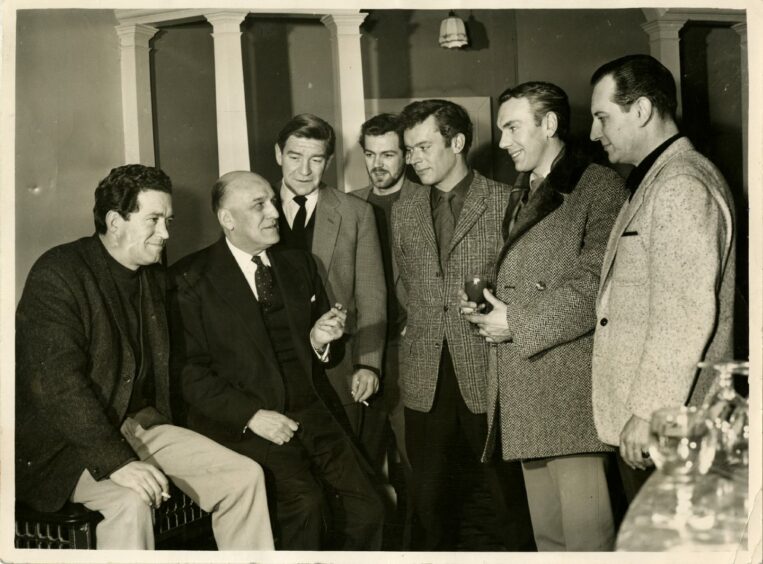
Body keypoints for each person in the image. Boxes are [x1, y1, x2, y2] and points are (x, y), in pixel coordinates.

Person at [15, 164, 273, 550]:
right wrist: (118, 463)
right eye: (154, 220)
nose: (166, 234)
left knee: (244, 476)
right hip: (65, 445)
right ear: (115, 222)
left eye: (167, 220)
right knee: (130, 501)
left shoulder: (150, 275)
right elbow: (58, 387)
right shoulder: (58, 274)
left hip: (136, 427)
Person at [169, 171, 384, 550]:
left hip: (312, 412)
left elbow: (319, 358)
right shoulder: (189, 279)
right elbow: (190, 375)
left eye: (271, 201)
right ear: (227, 219)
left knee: (368, 507)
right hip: (247, 421)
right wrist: (251, 416)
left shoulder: (300, 265)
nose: (274, 212)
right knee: (305, 506)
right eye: (259, 205)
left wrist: (319, 340)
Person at [460, 82, 628, 551]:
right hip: (525, 390)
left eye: (513, 127)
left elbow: (598, 281)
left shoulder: (598, 186)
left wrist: (516, 322)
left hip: (568, 395)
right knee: (550, 540)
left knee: (587, 540)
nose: (502, 141)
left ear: (549, 124)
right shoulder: (524, 190)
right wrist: (488, 303)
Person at [589, 54, 736, 501]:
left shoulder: (680, 185)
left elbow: (685, 313)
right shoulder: (659, 178)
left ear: (642, 110)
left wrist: (650, 409)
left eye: (602, 118)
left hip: (669, 421)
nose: (595, 134)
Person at [392, 99, 534, 551]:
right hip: (424, 377)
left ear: (456, 143)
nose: (413, 159)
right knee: (430, 506)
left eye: (423, 147)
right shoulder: (404, 210)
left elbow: (525, 282)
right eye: (408, 149)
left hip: (490, 372)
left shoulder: (507, 200)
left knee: (507, 499)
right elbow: (405, 286)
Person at [273, 113, 386, 441]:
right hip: (272, 370)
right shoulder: (254, 206)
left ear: (329, 161)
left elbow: (371, 296)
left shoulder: (356, 214)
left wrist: (369, 364)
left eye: (316, 159)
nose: (304, 170)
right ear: (279, 154)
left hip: (336, 368)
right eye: (294, 157)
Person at [352, 113, 418, 547]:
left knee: (414, 463)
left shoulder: (427, 201)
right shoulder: (349, 204)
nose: (378, 164)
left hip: (413, 349)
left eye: (389, 154)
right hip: (364, 349)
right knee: (362, 459)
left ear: (406, 157)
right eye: (371, 154)